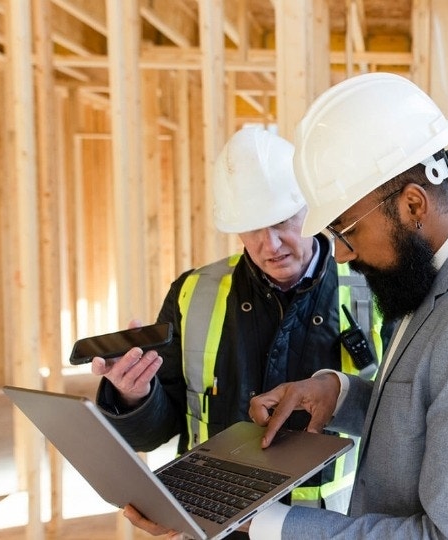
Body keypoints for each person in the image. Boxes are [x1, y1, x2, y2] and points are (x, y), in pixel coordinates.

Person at [243, 72, 448, 538]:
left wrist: (270, 523)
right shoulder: (441, 283)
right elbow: (436, 408)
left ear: (413, 205)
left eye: (347, 232)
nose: (344, 255)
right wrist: (342, 394)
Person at [91, 126, 389, 524]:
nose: (272, 245)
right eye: (252, 228)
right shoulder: (192, 292)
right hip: (215, 523)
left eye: (283, 222)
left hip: (325, 526)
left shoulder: (377, 292)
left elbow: (402, 419)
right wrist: (134, 399)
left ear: (310, 208)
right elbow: (155, 431)